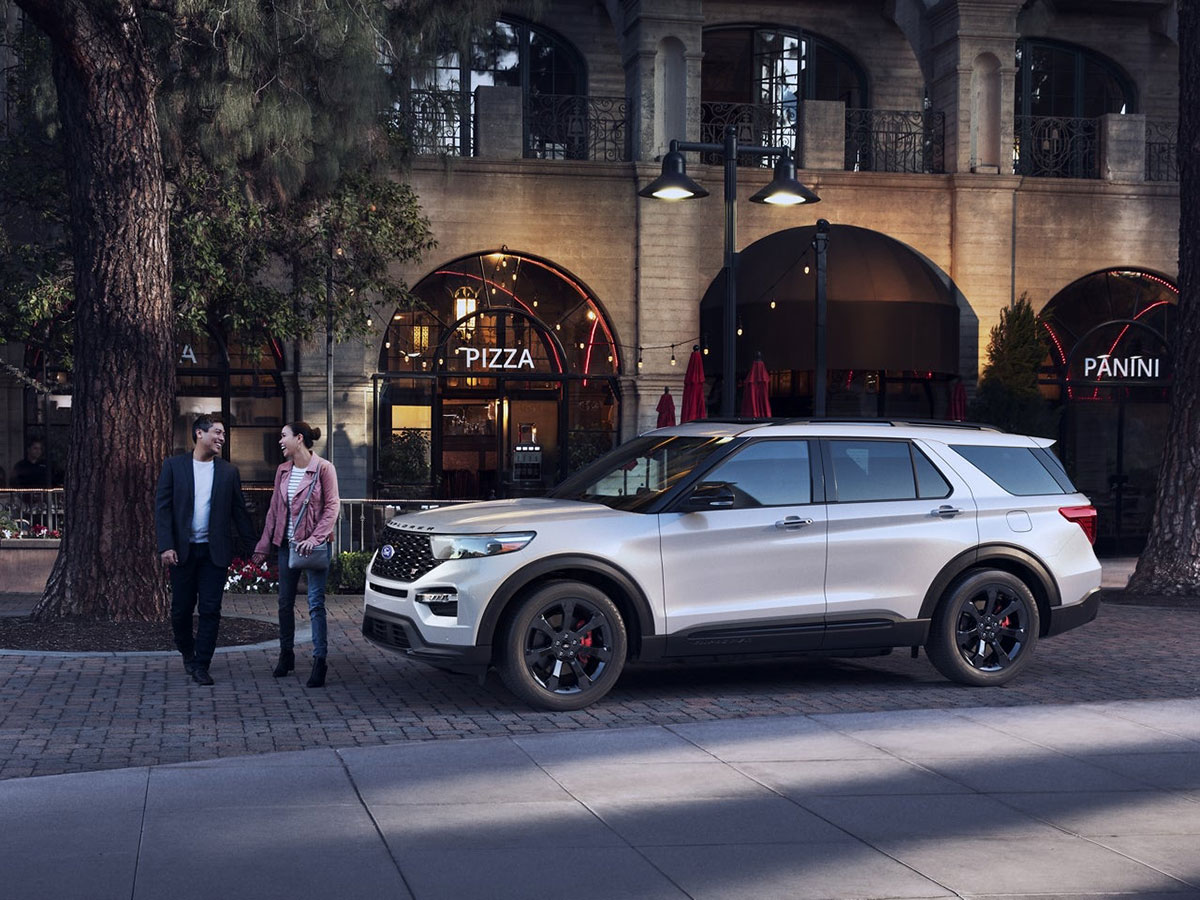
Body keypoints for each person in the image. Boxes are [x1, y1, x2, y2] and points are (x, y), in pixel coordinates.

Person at [155, 415, 254, 685]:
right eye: (217, 432)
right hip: (182, 553)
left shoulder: (228, 472)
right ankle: (187, 652)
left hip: (215, 553)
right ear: (199, 433)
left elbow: (239, 513)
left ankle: (202, 663)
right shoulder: (174, 466)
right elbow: (162, 509)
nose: (222, 438)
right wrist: (166, 546)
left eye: (223, 434)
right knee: (181, 610)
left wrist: (254, 548)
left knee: (210, 609)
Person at [252, 421, 339, 688]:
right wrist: (263, 545)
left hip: (313, 547)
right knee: (283, 603)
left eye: (283, 436)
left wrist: (314, 539)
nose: (280, 441)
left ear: (298, 438)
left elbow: (332, 507)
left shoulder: (323, 468)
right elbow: (275, 511)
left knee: (315, 604)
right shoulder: (283, 471)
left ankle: (319, 661)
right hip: (287, 546)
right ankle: (286, 654)